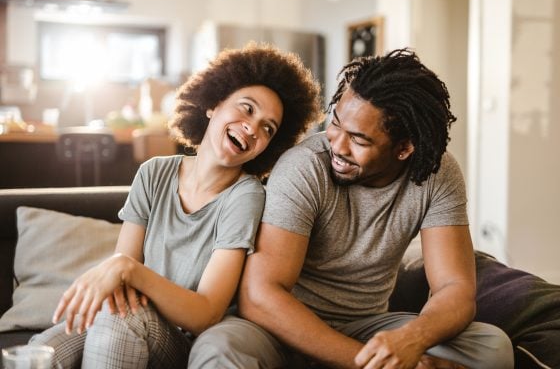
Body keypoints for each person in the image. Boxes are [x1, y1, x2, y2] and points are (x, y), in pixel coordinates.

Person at [188, 48, 514, 369]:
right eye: (335, 123)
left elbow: (455, 288)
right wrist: (366, 362)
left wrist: (411, 340)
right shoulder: (304, 167)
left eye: (358, 140)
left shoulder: (437, 175)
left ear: (404, 148)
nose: (337, 145)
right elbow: (259, 296)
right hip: (277, 328)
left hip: (367, 325)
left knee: (491, 348)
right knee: (217, 350)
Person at [30, 43, 323, 368]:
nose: (252, 127)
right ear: (213, 105)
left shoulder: (246, 196)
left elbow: (206, 313)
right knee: (39, 351)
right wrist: (123, 272)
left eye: (268, 128)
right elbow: (122, 278)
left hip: (184, 341)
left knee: (120, 321)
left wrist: (128, 271)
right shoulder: (153, 173)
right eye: (247, 109)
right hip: (133, 316)